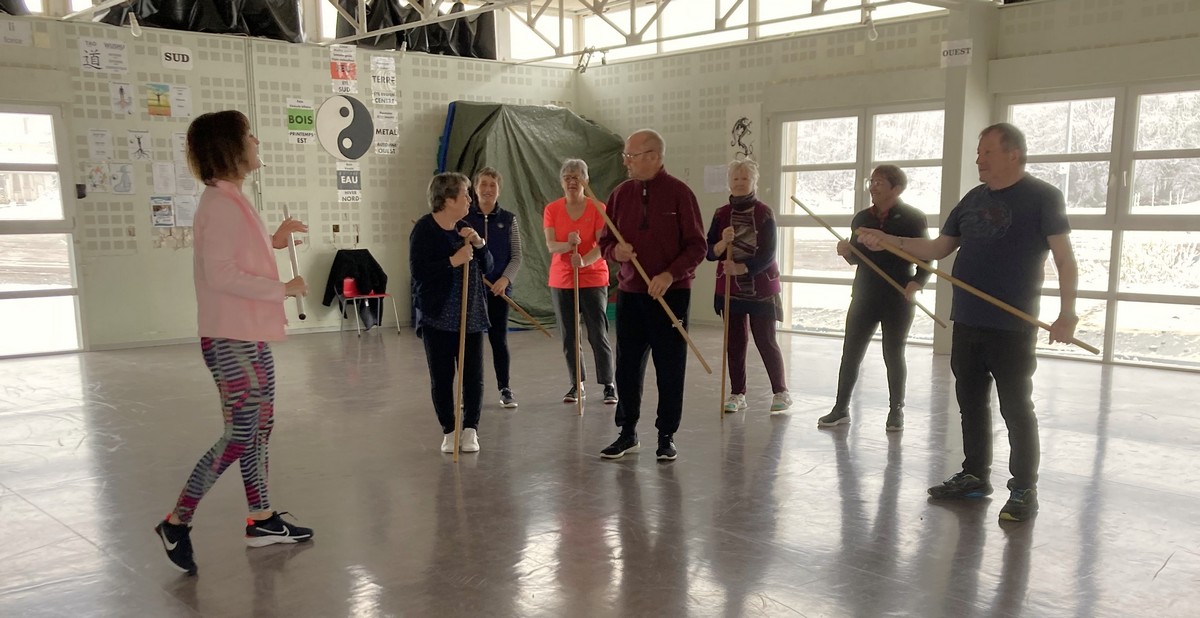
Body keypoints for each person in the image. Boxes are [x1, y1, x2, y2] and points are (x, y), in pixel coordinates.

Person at [858, 123, 1079, 523]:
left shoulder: (1043, 197)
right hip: (967, 319)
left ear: (1013, 153)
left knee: (1016, 407)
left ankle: (1024, 489)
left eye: (986, 152)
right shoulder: (973, 199)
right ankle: (975, 475)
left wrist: (1067, 314)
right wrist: (888, 240)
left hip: (1012, 325)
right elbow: (938, 248)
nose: (979, 159)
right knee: (971, 403)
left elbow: (1064, 258)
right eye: (978, 153)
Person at [154, 110, 313, 577]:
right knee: (241, 433)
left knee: (260, 426)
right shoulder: (221, 204)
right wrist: (282, 288)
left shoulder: (230, 199)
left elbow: (238, 253)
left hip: (247, 333)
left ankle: (261, 519)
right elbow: (221, 274)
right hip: (230, 338)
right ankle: (176, 521)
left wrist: (275, 241)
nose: (255, 140)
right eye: (248, 135)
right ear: (229, 147)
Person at [597, 129, 706, 461]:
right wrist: (616, 252)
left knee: (670, 367)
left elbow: (697, 246)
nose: (627, 162)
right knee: (627, 367)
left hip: (671, 295)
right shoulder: (619, 194)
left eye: (632, 156)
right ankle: (627, 433)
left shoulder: (680, 194)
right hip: (631, 293)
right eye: (626, 156)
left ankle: (666, 435)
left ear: (655, 157)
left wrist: (670, 274)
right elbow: (605, 242)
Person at [819, 164, 930, 431]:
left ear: (897, 188)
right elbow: (857, 258)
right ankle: (840, 408)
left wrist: (917, 283)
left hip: (897, 295)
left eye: (880, 182)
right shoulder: (861, 218)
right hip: (864, 294)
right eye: (873, 181)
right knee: (851, 352)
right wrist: (847, 252)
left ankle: (896, 410)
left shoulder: (913, 218)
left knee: (893, 353)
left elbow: (926, 256)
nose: (873, 187)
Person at [410, 172, 493, 454]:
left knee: (473, 376)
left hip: (471, 315)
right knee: (442, 377)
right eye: (465, 194)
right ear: (447, 200)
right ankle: (449, 429)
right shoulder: (424, 229)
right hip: (438, 317)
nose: (470, 199)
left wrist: (479, 244)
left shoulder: (465, 227)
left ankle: (471, 429)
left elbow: (489, 266)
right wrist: (452, 261)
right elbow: (419, 272)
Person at [705, 158, 790, 414]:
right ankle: (737, 393)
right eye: (735, 179)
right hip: (730, 289)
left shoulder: (764, 213)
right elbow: (708, 251)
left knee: (765, 340)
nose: (740, 183)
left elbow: (769, 253)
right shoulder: (721, 214)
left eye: (745, 179)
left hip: (761, 288)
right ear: (729, 183)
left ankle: (781, 392)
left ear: (754, 182)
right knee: (735, 342)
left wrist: (743, 268)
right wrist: (722, 243)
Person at [543, 159, 618, 406]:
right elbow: (551, 245)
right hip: (562, 279)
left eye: (577, 177)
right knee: (569, 335)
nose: (572, 181)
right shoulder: (552, 209)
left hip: (592, 277)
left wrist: (584, 261)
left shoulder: (598, 208)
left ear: (586, 180)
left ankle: (608, 384)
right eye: (567, 177)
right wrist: (568, 245)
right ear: (561, 182)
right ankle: (577, 383)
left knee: (597, 332)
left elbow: (602, 245)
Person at [463, 167, 523, 408]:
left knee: (499, 340)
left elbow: (516, 256)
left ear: (499, 190)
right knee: (471, 343)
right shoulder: (464, 219)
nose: (488, 189)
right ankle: (469, 392)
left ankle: (505, 388)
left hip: (499, 290)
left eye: (492, 185)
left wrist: (505, 280)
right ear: (475, 188)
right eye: (483, 184)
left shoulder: (508, 220)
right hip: (471, 292)